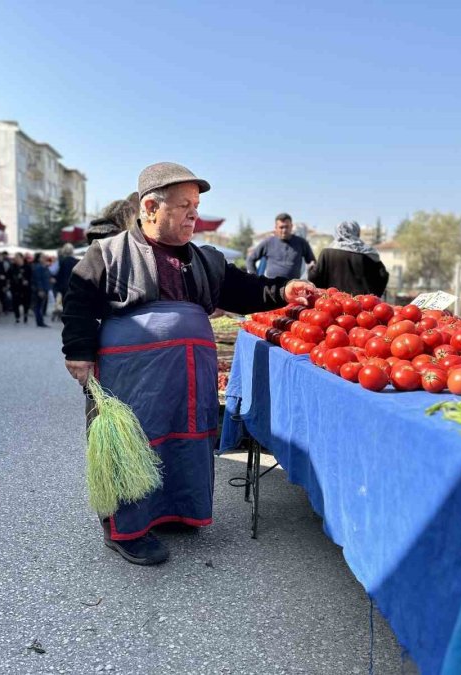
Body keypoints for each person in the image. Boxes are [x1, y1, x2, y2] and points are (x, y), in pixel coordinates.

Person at [62, 162, 316, 566]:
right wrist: (78, 350)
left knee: (184, 438)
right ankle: (127, 529)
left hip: (187, 372)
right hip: (132, 376)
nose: (194, 214)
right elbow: (78, 302)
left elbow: (244, 289)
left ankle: (175, 511)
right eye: (184, 205)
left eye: (196, 205)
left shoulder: (205, 259)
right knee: (134, 442)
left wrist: (284, 289)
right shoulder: (108, 253)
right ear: (150, 207)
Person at [309, 220, 390, 296]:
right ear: (357, 232)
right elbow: (383, 276)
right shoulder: (369, 253)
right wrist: (374, 294)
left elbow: (314, 277)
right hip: (361, 302)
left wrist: (310, 268)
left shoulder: (326, 252)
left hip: (333, 301)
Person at [246, 213, 316, 279]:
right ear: (276, 228)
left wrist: (312, 276)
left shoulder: (301, 243)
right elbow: (250, 260)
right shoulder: (268, 242)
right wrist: (254, 278)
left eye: (286, 227)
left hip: (293, 285)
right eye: (281, 227)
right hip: (272, 285)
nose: (284, 230)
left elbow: (312, 262)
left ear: (291, 226)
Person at [51, 244, 79, 321]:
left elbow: (58, 274)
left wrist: (55, 282)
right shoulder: (76, 261)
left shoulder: (62, 261)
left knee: (65, 302)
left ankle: (66, 317)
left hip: (64, 286)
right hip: (74, 285)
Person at [9, 252, 32, 323]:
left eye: (18, 257)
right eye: (15, 258)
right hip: (15, 287)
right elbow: (9, 276)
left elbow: (31, 276)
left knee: (26, 302)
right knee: (15, 302)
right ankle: (17, 316)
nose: (16, 259)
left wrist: (27, 281)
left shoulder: (27, 266)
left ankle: (25, 314)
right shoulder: (12, 267)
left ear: (22, 258)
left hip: (25, 288)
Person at [31, 252, 51, 328]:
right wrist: (40, 290)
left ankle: (40, 321)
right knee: (38, 306)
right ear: (39, 259)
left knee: (41, 305)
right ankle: (39, 322)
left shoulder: (44, 267)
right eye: (43, 257)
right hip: (40, 289)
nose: (45, 258)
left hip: (44, 288)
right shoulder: (38, 267)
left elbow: (46, 276)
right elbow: (38, 279)